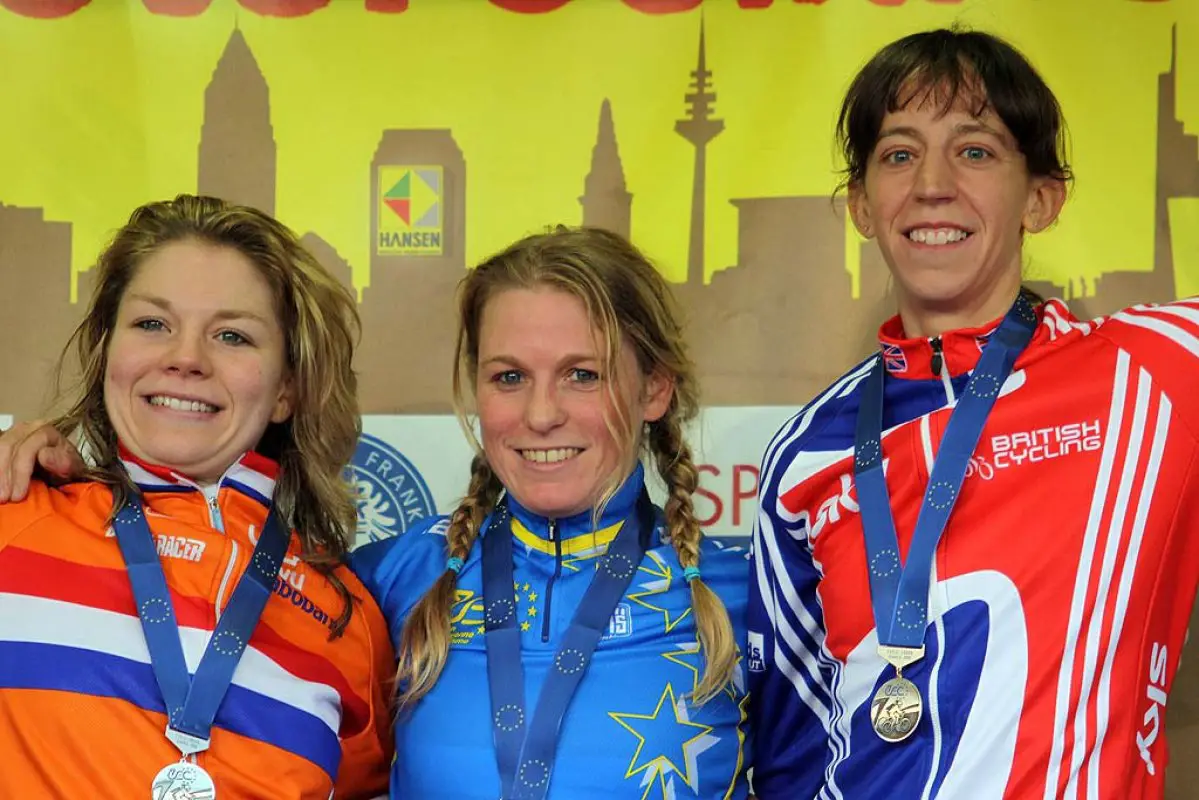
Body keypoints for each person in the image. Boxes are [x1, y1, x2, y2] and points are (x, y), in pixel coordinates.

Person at [746, 28, 1199, 799]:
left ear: (1042, 198)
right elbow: (786, 758)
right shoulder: (805, 456)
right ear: (860, 204)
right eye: (897, 154)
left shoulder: (1153, 370)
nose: (931, 184)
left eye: (975, 151)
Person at [0, 194, 393, 798]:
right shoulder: (14, 516)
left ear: (287, 387)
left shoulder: (350, 623)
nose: (186, 358)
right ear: (109, 351)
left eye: (232, 335)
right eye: (152, 324)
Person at [350, 226, 752, 798]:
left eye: (582, 375)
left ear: (654, 390)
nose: (540, 414)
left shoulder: (743, 593)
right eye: (508, 377)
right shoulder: (393, 578)